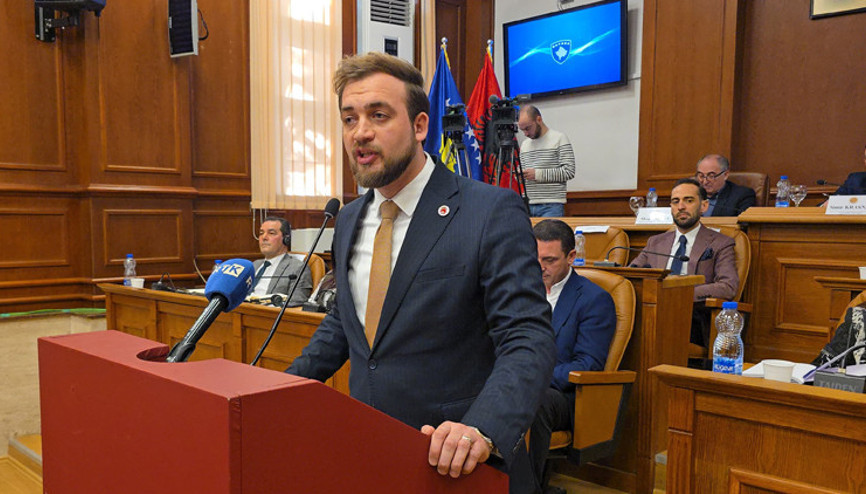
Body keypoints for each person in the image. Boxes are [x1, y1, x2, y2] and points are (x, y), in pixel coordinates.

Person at [285, 52, 556, 493]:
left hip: (458, 464)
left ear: (419, 126)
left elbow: (527, 338)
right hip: (370, 455)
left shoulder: (489, 211)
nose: (361, 133)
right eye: (349, 119)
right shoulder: (350, 219)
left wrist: (481, 428)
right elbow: (347, 322)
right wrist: (279, 389)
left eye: (378, 115)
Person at [529, 219, 617, 493]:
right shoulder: (520, 290)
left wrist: (533, 373)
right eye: (535, 258)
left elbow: (588, 364)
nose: (540, 266)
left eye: (550, 260)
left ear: (571, 257)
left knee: (533, 400)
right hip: (516, 380)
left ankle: (526, 488)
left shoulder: (593, 299)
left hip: (562, 396)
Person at [630, 178, 738, 345]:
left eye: (688, 200)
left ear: (704, 206)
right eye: (675, 201)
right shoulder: (656, 242)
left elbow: (727, 287)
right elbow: (632, 274)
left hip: (691, 314)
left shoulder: (721, 243)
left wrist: (680, 294)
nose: (681, 206)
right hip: (652, 309)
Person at [517, 105, 575, 218]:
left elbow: (569, 171)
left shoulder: (559, 138)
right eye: (522, 130)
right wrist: (520, 175)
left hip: (551, 205)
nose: (526, 134)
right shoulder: (525, 145)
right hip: (527, 204)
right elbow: (524, 172)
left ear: (539, 120)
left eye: (528, 128)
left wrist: (537, 174)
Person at [251, 217, 313, 305]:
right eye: (261, 233)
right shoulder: (254, 265)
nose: (264, 237)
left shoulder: (297, 268)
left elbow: (297, 301)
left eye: (271, 233)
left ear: (286, 239)